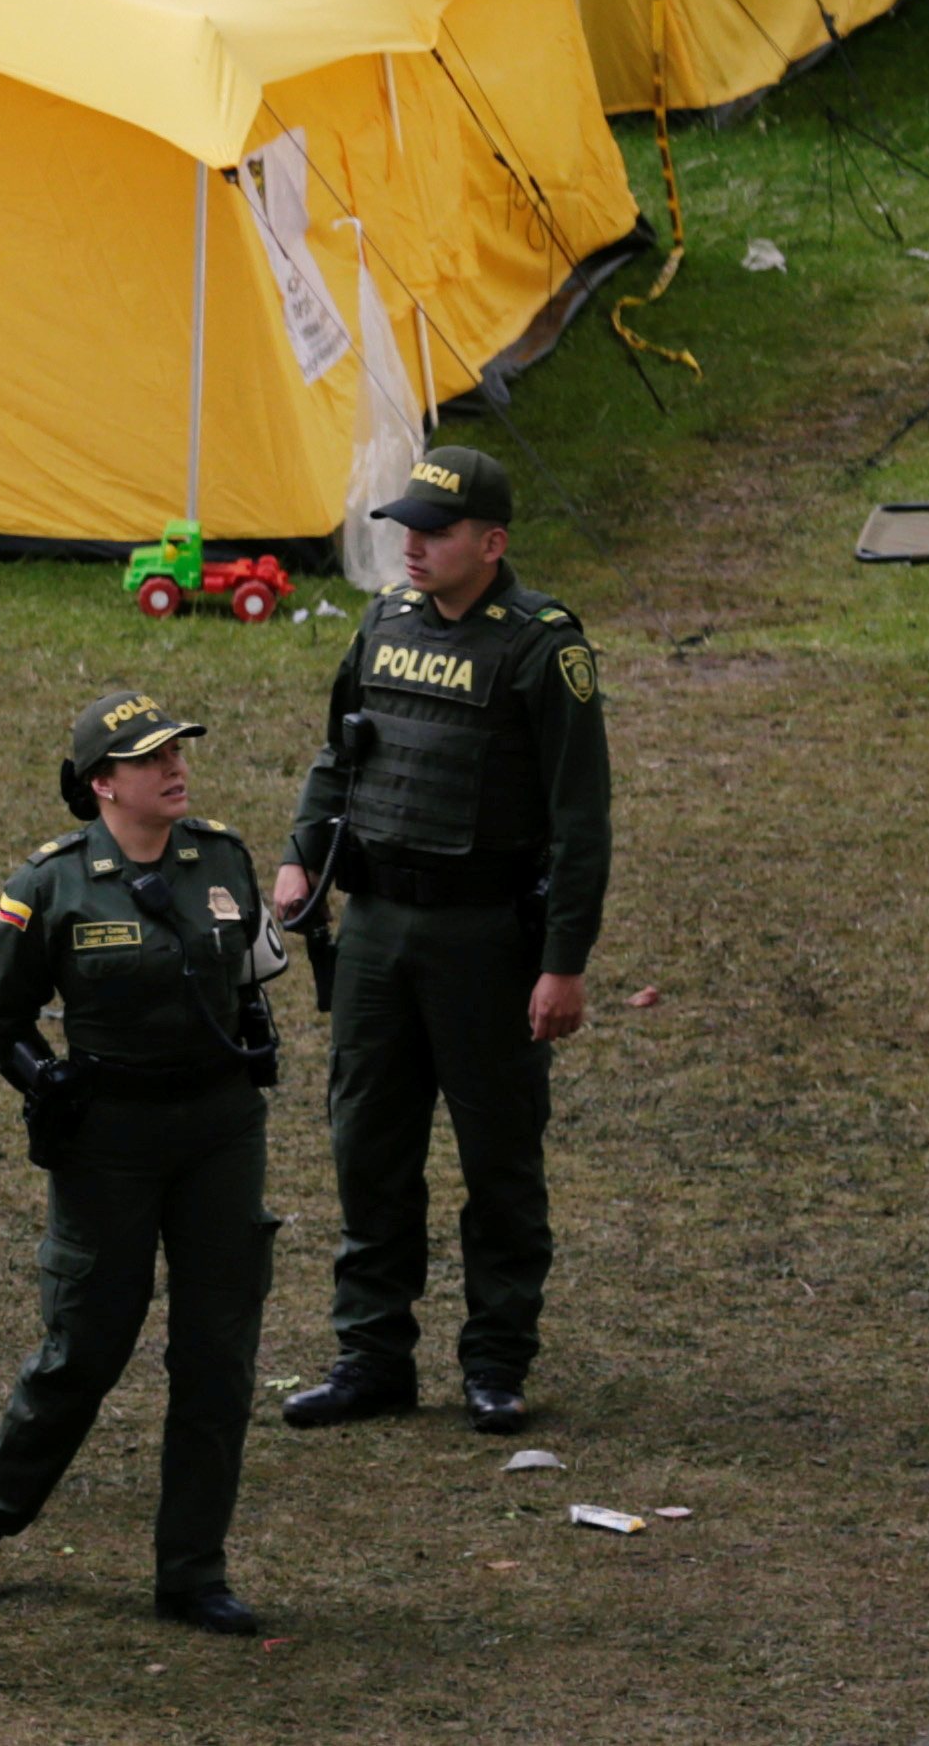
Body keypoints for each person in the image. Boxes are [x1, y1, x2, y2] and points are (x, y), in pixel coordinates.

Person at [270, 448, 609, 1436]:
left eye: (434, 531)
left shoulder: (544, 650)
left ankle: (495, 1362)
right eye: (405, 528)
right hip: (376, 933)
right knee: (366, 1146)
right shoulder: (384, 625)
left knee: (498, 1157)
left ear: (491, 544)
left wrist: (563, 962)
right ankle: (370, 1356)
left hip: (484, 942)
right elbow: (341, 753)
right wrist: (300, 856)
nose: (409, 546)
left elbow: (580, 820)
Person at [0, 690, 280, 1635]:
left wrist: (254, 1036)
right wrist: (44, 1082)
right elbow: (2, 1020)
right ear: (101, 785)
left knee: (218, 1358)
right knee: (83, 1349)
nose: (175, 768)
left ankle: (192, 1572)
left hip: (218, 1130)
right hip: (109, 1144)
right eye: (150, 758)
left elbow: (247, 977)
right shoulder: (48, 885)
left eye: (178, 752)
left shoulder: (223, 860)